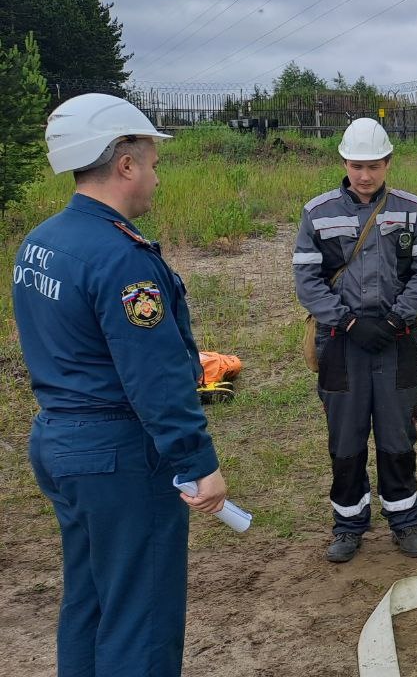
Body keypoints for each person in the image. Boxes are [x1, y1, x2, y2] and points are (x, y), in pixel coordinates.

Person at [14, 93, 228, 677]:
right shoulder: (122, 258)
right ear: (126, 164)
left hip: (59, 444)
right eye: (153, 163)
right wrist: (197, 461)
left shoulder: (40, 242)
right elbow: (155, 377)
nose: (157, 178)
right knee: (142, 616)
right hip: (119, 456)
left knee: (90, 598)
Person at [293, 117, 417, 562]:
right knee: (346, 438)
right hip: (341, 344)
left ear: (388, 162)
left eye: (374, 165)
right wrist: (349, 323)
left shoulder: (412, 210)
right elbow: (307, 281)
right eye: (357, 165)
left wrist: (395, 321)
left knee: (398, 435)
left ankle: (405, 521)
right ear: (344, 163)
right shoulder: (317, 213)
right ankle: (348, 525)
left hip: (397, 341)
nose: (365, 175)